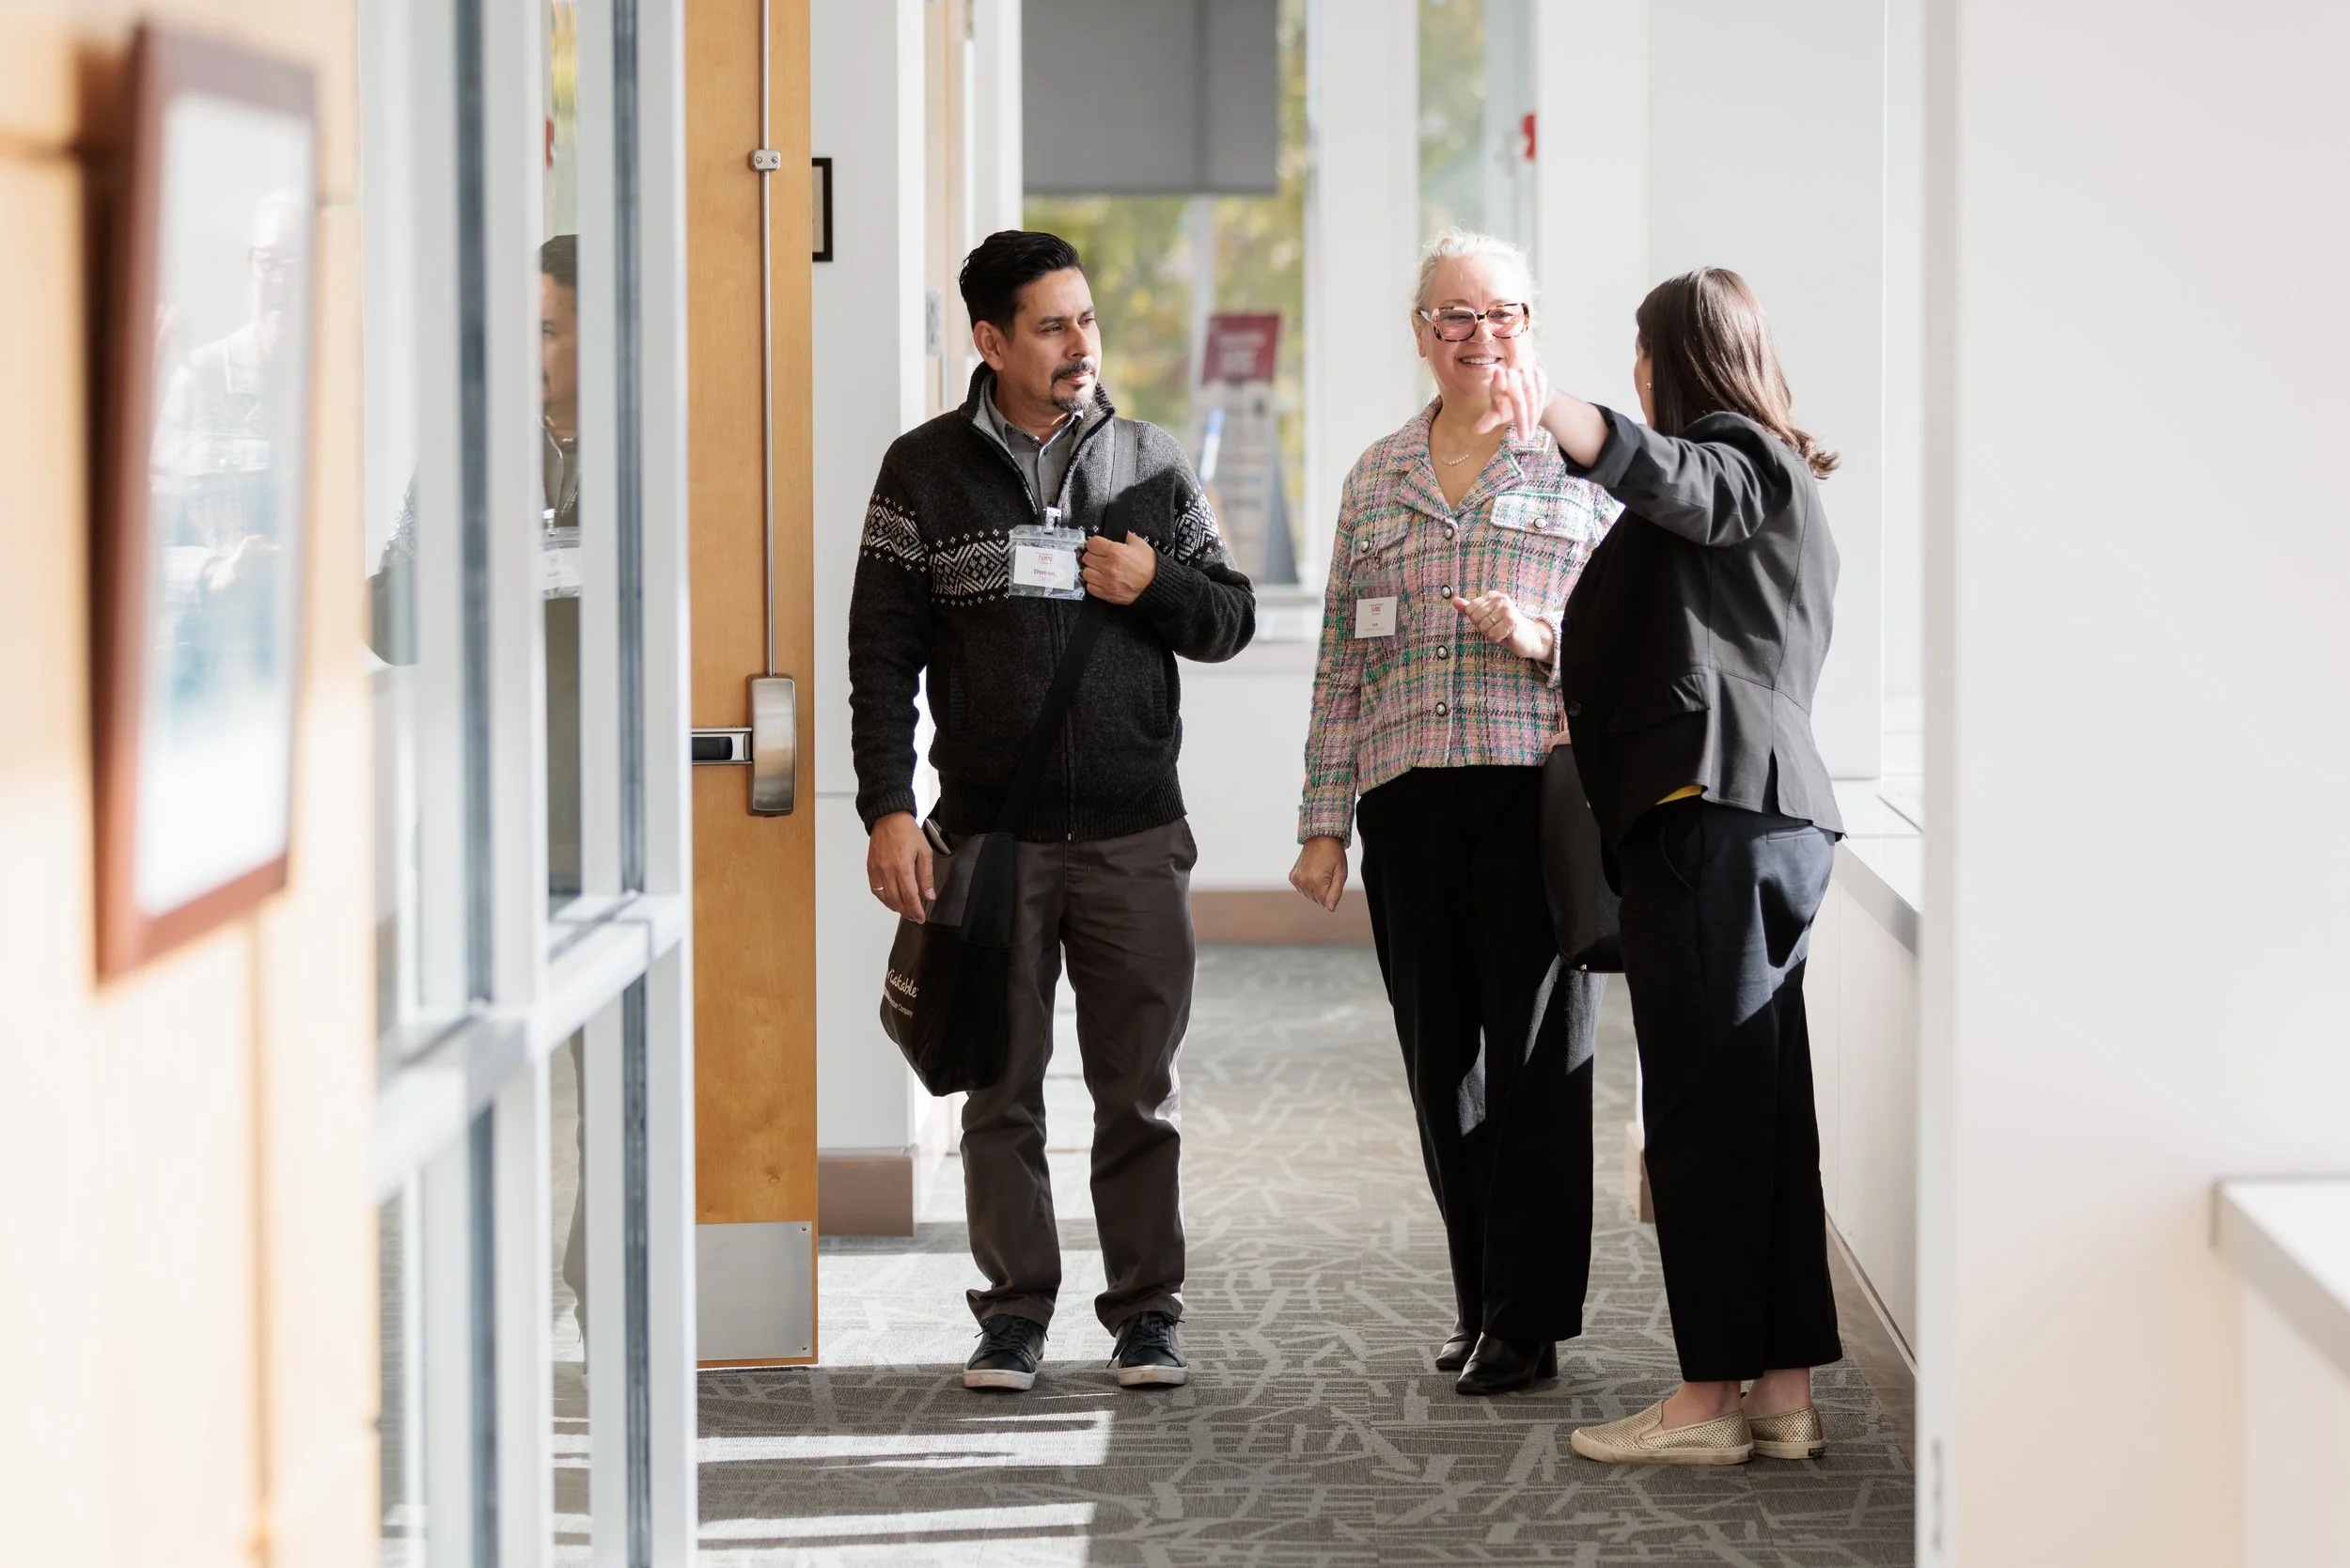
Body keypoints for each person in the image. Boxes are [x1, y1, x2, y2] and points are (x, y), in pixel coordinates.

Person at [849, 229, 1257, 1392]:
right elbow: (879, 656)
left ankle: (1145, 1313)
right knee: (1000, 1084)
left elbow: (1227, 620)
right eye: (1051, 326)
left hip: (1133, 832)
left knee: (1137, 1090)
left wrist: (1156, 583)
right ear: (990, 340)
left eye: (1085, 319)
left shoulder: (1150, 460)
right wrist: (888, 806)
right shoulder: (920, 472)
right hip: (992, 837)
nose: (1081, 345)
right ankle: (1015, 1313)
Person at [1494, 267, 1844, 1466]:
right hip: (1769, 828)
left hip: (1714, 824)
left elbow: (1683, 481)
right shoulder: (1779, 487)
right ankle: (1781, 1394)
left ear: (1665, 363)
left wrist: (1562, 414)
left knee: (1698, 1115)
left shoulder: (1738, 458)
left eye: (1639, 358)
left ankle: (1704, 1403)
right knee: (1761, 1113)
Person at [1288, 228, 1622, 1397]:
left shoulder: (1581, 465)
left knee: (1536, 1060)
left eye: (1504, 315)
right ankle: (1479, 1298)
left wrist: (1546, 644)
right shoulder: (1377, 477)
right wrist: (1322, 819)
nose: (1482, 336)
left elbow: (1637, 646)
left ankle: (1530, 1317)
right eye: (1456, 317)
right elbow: (1341, 659)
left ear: (1532, 324)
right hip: (1408, 801)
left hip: (1535, 795)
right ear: (1421, 334)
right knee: (1444, 1065)